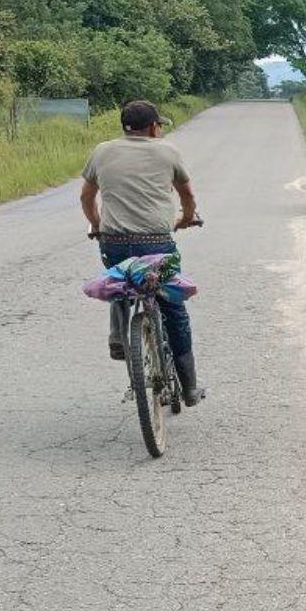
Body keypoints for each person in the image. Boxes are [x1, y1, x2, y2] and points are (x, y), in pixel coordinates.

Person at [81, 100, 204, 406]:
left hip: (114, 242)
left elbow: (86, 196)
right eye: (158, 125)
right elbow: (187, 195)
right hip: (157, 243)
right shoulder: (166, 151)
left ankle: (118, 336)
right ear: (152, 127)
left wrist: (97, 224)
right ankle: (189, 387)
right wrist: (187, 219)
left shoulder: (102, 151)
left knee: (120, 279)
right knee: (174, 308)